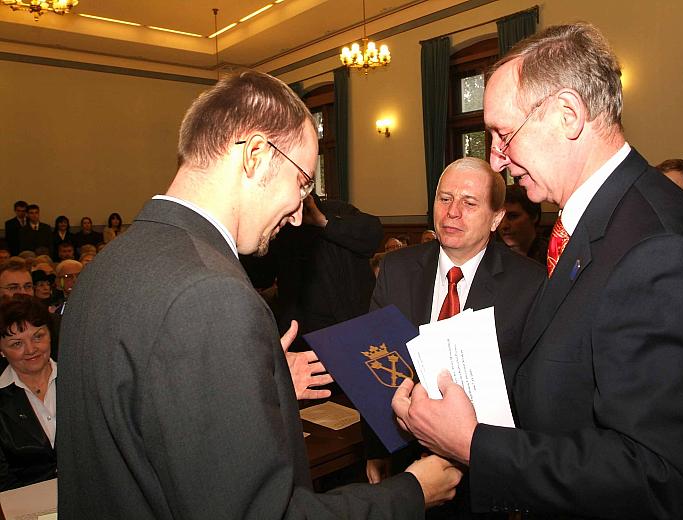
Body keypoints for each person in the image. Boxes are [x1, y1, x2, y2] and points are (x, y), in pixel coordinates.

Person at [57, 71, 461, 519]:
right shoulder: (213, 295)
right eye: (302, 182)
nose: (295, 214)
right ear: (255, 155)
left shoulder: (110, 265)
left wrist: (255, 385)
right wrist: (410, 492)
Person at [392, 22, 683, 519]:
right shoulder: (602, 218)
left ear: (567, 115)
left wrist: (474, 444)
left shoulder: (661, 250)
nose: (496, 160)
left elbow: (657, 478)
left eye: (503, 133)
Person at [365, 157, 545, 518]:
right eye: (444, 199)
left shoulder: (532, 284)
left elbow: (534, 393)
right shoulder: (397, 269)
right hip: (406, 465)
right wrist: (379, 447)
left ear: (496, 218)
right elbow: (376, 365)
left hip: (485, 479)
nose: (452, 213)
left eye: (469, 202)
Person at [259, 193, 384, 348]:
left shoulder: (338, 210)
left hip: (353, 324)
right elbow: (262, 276)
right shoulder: (280, 227)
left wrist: (323, 221)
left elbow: (373, 234)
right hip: (303, 335)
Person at [0, 295, 57, 491]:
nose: (31, 349)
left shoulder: (81, 381)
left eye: (38, 336)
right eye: (17, 344)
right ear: (1, 350)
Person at [496, 184, 546, 264]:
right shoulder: (491, 257)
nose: (504, 225)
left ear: (533, 216)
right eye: (499, 218)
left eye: (513, 216)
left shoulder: (552, 257)